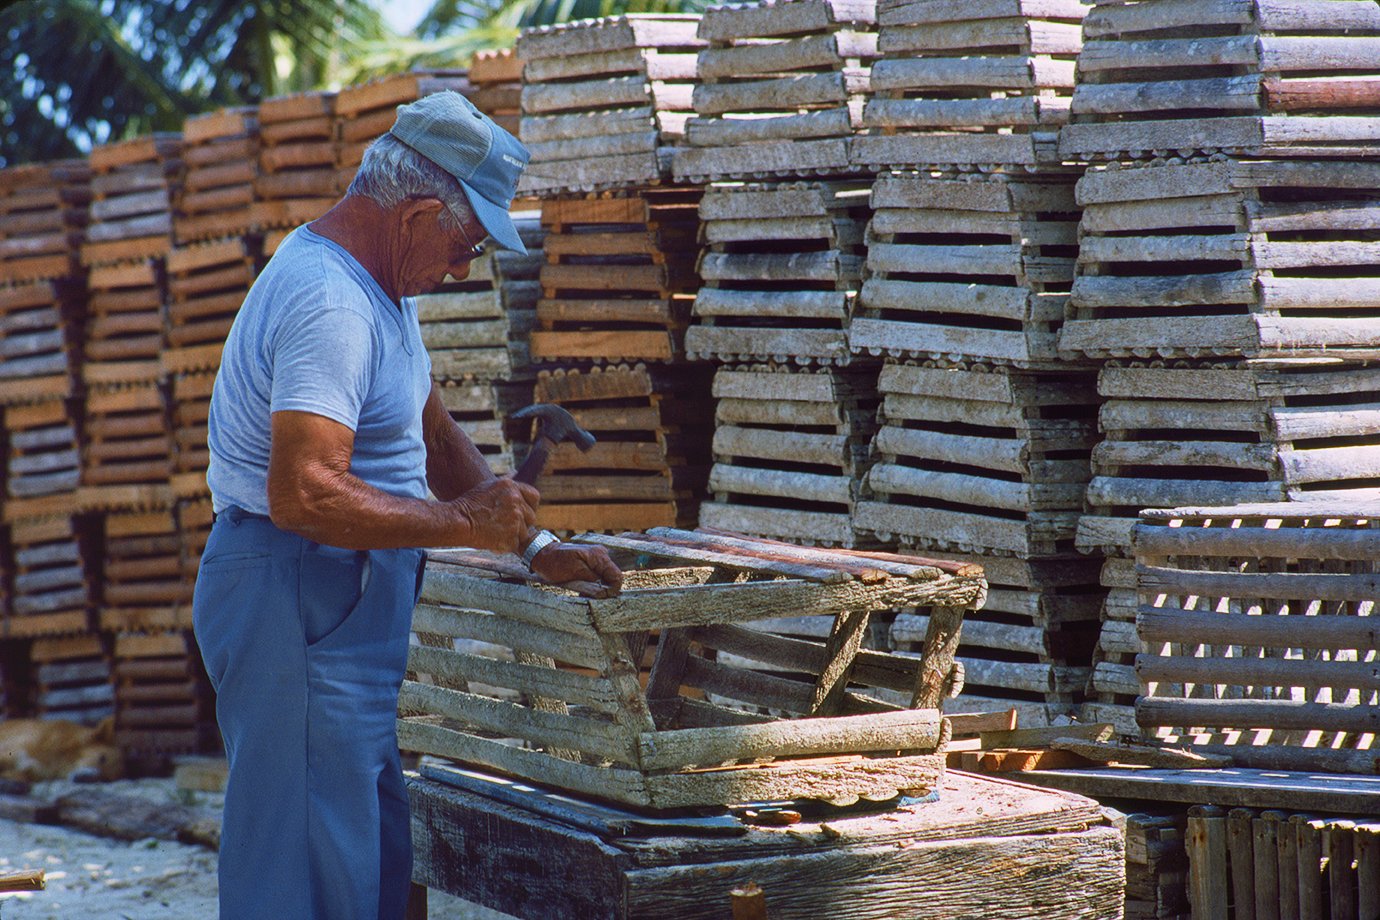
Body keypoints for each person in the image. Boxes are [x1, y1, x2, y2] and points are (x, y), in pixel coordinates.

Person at [193, 90, 622, 920]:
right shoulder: (331, 303)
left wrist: (532, 546)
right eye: (464, 243)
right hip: (297, 589)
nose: (464, 267)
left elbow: (428, 432)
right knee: (306, 873)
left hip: (341, 593)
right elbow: (305, 491)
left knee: (373, 857)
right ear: (419, 211)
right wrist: (467, 525)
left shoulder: (383, 289)